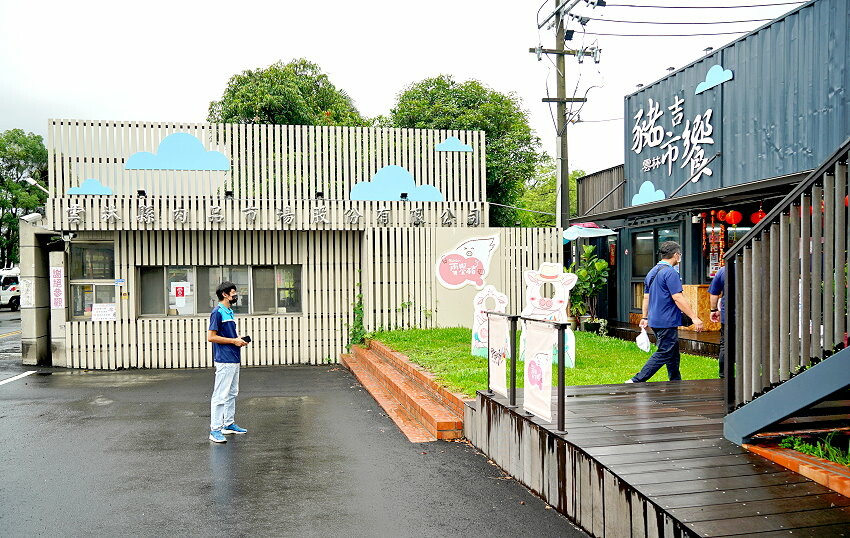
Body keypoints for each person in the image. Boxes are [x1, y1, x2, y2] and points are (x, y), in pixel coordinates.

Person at [627, 241, 704, 383]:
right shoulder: (671, 273)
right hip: (666, 320)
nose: (680, 257)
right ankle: (636, 380)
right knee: (665, 351)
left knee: (673, 352)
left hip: (655, 320)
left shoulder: (652, 272)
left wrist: (645, 317)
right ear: (676, 255)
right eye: (679, 255)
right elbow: (678, 298)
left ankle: (675, 380)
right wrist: (694, 317)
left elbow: (646, 297)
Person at [208, 281, 250, 443]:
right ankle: (215, 430)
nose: (236, 296)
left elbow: (230, 335)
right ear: (225, 294)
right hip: (224, 359)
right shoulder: (217, 312)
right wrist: (233, 341)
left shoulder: (229, 312)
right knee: (220, 395)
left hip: (233, 358)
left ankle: (228, 424)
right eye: (233, 293)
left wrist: (238, 340)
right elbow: (211, 337)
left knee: (232, 393)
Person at [708, 265, 726, 378]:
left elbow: (714, 294)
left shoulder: (723, 271)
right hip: (751, 315)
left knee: (725, 345)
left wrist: (713, 310)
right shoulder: (756, 266)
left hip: (729, 315)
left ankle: (723, 374)